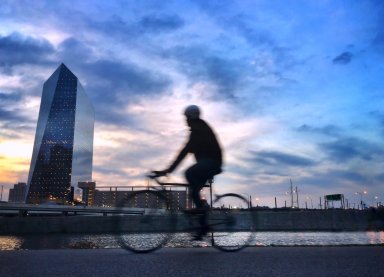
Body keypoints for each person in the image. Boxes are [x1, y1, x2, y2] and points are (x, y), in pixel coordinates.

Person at [153, 105, 223, 240]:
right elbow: (185, 151)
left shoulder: (199, 129)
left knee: (189, 173)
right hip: (208, 163)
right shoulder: (198, 128)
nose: (185, 120)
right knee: (193, 192)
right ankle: (202, 228)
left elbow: (184, 152)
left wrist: (168, 170)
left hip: (212, 162)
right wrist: (168, 170)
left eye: (186, 117)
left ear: (191, 117)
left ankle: (202, 211)